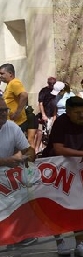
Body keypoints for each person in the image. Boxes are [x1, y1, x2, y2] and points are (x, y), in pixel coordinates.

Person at [44, 96, 83, 257]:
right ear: (68, 112)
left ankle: (80, 243)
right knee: (57, 206)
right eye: (77, 113)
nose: (81, 115)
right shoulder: (61, 123)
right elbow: (59, 149)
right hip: (58, 171)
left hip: (77, 169)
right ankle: (60, 241)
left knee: (79, 205)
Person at [0, 97, 37, 247]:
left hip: (6, 178)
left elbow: (27, 149)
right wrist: (6, 161)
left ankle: (17, 233)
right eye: (0, 111)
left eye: (5, 110)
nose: (4, 113)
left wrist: (29, 156)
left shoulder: (11, 127)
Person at [0, 64, 28, 132]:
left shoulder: (14, 83)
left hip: (17, 124)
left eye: (2, 74)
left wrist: (17, 113)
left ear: (10, 73)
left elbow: (24, 95)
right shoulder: (10, 84)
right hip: (11, 123)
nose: (0, 76)